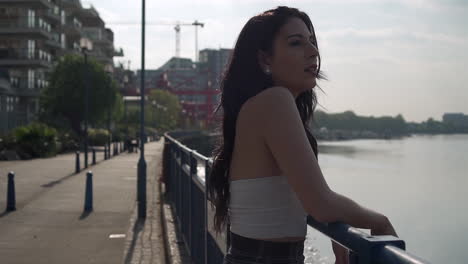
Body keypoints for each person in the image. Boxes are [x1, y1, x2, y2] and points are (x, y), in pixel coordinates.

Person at [207, 6, 398, 264]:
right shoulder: (274, 101)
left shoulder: (259, 107)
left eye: (311, 41)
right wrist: (380, 222)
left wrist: (337, 221)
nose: (313, 52)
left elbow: (306, 196)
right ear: (265, 59)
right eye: (296, 43)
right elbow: (321, 203)